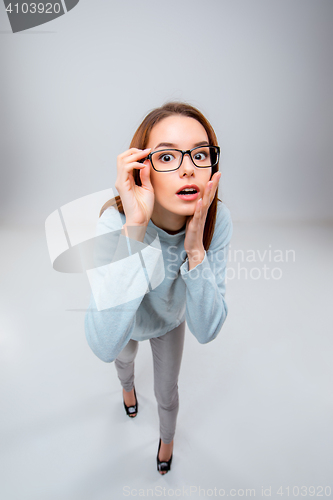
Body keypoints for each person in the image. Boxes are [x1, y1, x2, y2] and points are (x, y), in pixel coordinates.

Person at [84, 101, 233, 475]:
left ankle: (167, 440)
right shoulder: (114, 220)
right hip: (127, 323)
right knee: (123, 359)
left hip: (170, 320)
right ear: (141, 168)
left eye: (200, 154)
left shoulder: (218, 218)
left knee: (167, 393)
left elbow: (208, 329)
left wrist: (195, 249)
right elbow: (103, 343)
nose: (188, 167)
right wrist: (135, 230)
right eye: (167, 156)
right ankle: (127, 388)